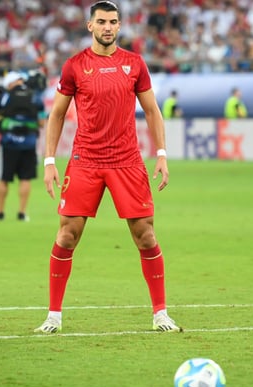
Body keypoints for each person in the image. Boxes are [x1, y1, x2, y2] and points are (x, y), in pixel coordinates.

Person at [34, 0, 182, 334]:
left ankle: (160, 314)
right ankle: (53, 317)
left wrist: (161, 153)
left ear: (119, 26)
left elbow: (152, 111)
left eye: (113, 22)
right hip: (85, 161)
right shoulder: (74, 66)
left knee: (146, 236)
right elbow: (57, 114)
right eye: (101, 21)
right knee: (67, 236)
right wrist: (49, 161)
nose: (107, 27)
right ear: (90, 25)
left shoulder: (134, 64)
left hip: (126, 161)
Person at [0, 70, 45, 222]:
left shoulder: (6, 96)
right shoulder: (35, 96)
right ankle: (22, 213)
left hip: (8, 143)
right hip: (29, 143)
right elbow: (42, 122)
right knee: (25, 179)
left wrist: (1, 119)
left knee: (3, 178)